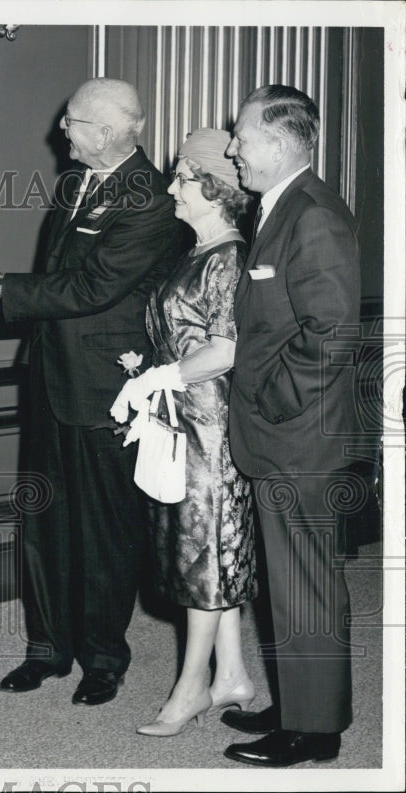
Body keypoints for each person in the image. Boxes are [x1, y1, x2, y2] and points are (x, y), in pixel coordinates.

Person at [0, 78, 183, 705]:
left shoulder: (152, 200)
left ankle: (103, 658)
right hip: (49, 376)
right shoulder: (73, 184)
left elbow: (92, 289)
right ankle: (47, 650)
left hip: (105, 388)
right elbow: (63, 279)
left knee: (104, 531)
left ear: (107, 132)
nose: (63, 130)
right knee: (44, 522)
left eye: (73, 122)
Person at [221, 85, 359, 767]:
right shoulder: (281, 207)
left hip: (298, 434)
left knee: (305, 582)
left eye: (241, 137)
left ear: (278, 144)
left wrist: (269, 399)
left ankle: (313, 732)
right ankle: (299, 702)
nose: (232, 148)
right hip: (284, 433)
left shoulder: (312, 215)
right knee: (289, 581)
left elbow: (330, 333)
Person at [109, 128, 256, 737]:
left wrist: (159, 375)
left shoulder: (227, 257)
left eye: (182, 179)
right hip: (186, 425)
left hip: (213, 432)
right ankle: (233, 676)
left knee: (204, 558)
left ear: (213, 188)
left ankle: (191, 687)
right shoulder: (196, 252)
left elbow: (223, 351)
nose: (172, 188)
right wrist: (148, 372)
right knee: (205, 557)